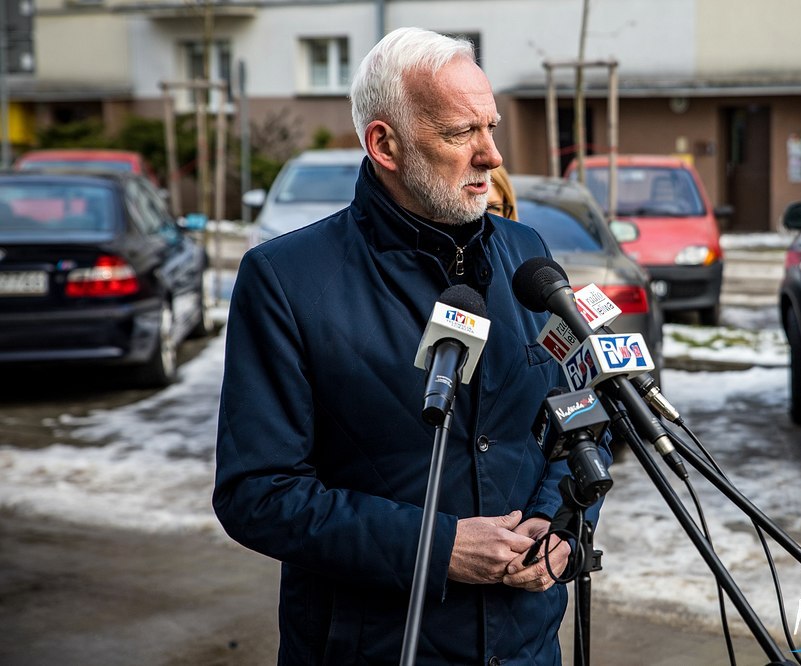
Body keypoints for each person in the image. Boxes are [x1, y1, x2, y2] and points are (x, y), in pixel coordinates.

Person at [213, 27, 612, 665]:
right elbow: (257, 494)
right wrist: (436, 548)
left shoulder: (526, 254)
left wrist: (559, 523)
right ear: (385, 145)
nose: (491, 156)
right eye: (461, 133)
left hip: (525, 645)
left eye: (491, 127)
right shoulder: (286, 279)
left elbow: (580, 416)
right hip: (372, 647)